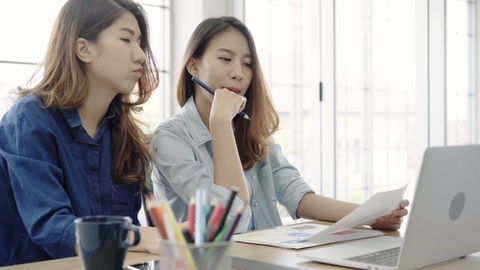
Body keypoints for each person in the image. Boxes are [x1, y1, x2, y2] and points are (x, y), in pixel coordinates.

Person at [150, 16, 409, 234]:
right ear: (193, 65)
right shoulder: (170, 139)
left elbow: (297, 195)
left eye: (247, 63)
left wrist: (371, 215)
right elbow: (229, 221)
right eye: (226, 59)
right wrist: (220, 125)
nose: (239, 73)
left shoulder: (250, 130)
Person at [0, 0, 161, 266]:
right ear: (84, 49)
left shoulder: (125, 136)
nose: (141, 55)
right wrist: (137, 236)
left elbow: (127, 248)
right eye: (126, 39)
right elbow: (52, 226)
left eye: (140, 42)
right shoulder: (29, 120)